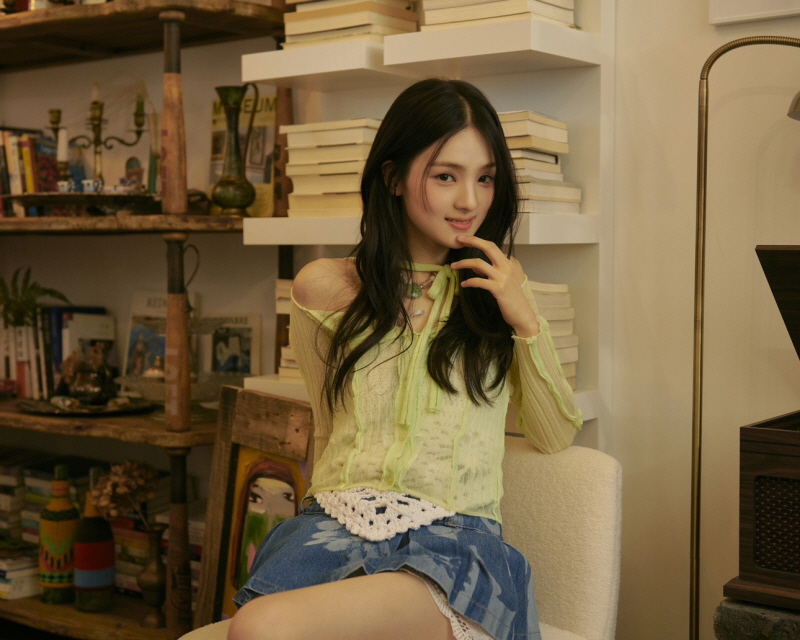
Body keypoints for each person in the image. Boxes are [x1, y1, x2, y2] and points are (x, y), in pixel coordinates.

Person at [227, 78, 583, 640]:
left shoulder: (500, 296)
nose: (470, 201)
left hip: (454, 547)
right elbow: (329, 425)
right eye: (446, 176)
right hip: (330, 530)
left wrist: (525, 322)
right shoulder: (325, 289)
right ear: (393, 178)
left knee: (262, 627)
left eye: (485, 178)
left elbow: (555, 431)